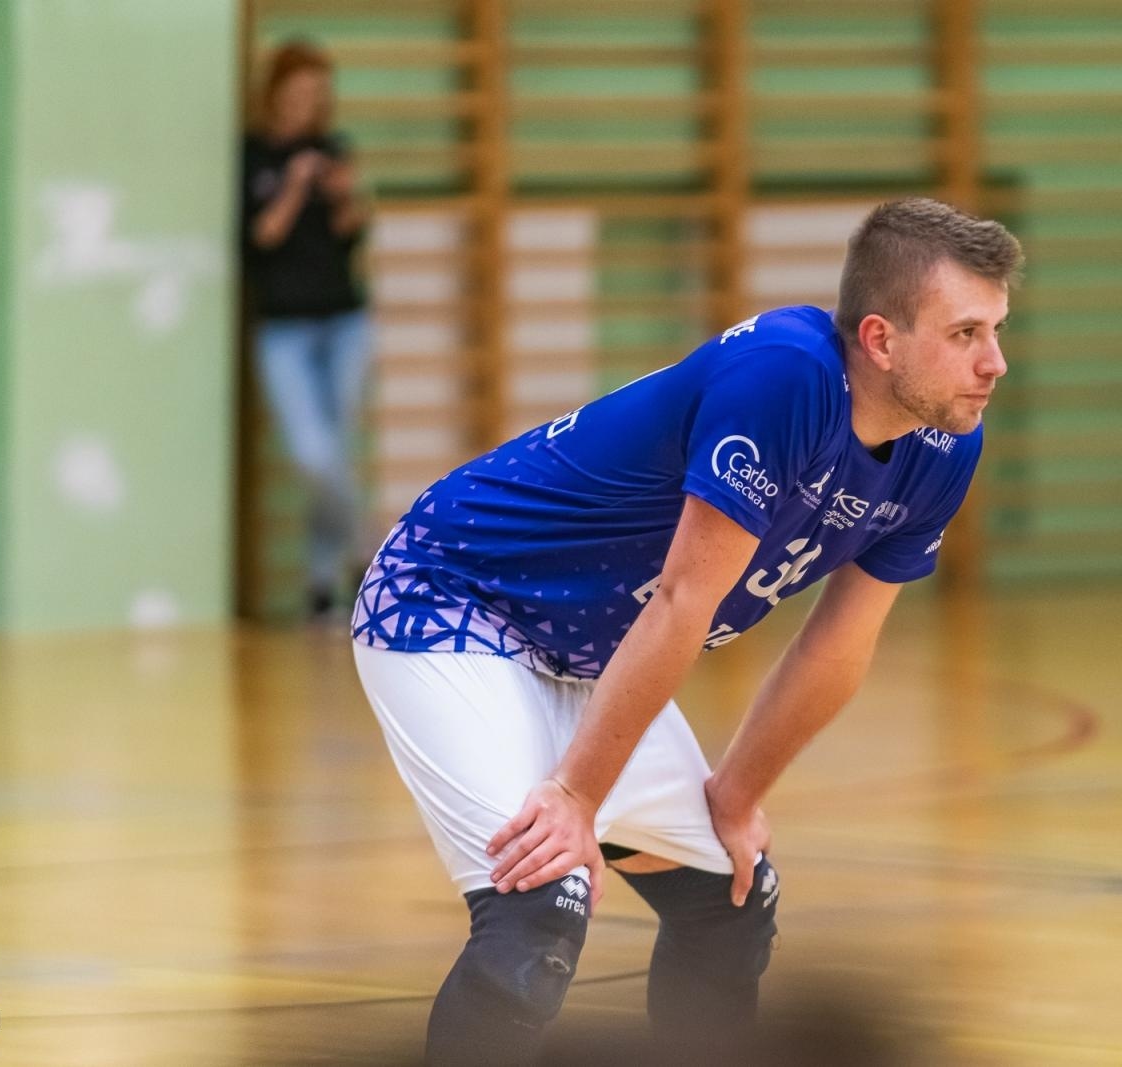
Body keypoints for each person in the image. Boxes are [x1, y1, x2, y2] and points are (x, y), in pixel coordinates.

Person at [351, 197, 1021, 1065]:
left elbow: (839, 644)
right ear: (881, 340)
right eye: (966, 332)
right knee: (540, 900)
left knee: (731, 898)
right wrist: (576, 798)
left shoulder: (942, 447)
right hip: (452, 599)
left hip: (586, 652)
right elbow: (680, 602)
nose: (995, 363)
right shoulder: (786, 379)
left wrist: (737, 793)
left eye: (998, 329)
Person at [241, 40, 371, 618]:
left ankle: (322, 585)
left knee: (337, 452)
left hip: (344, 321)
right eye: (297, 92)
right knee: (313, 456)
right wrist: (294, 184)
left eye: (317, 94)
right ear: (275, 94)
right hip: (284, 329)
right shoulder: (254, 157)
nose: (306, 103)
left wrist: (345, 198)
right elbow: (262, 237)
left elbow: (351, 235)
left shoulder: (335, 150)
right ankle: (371, 549)